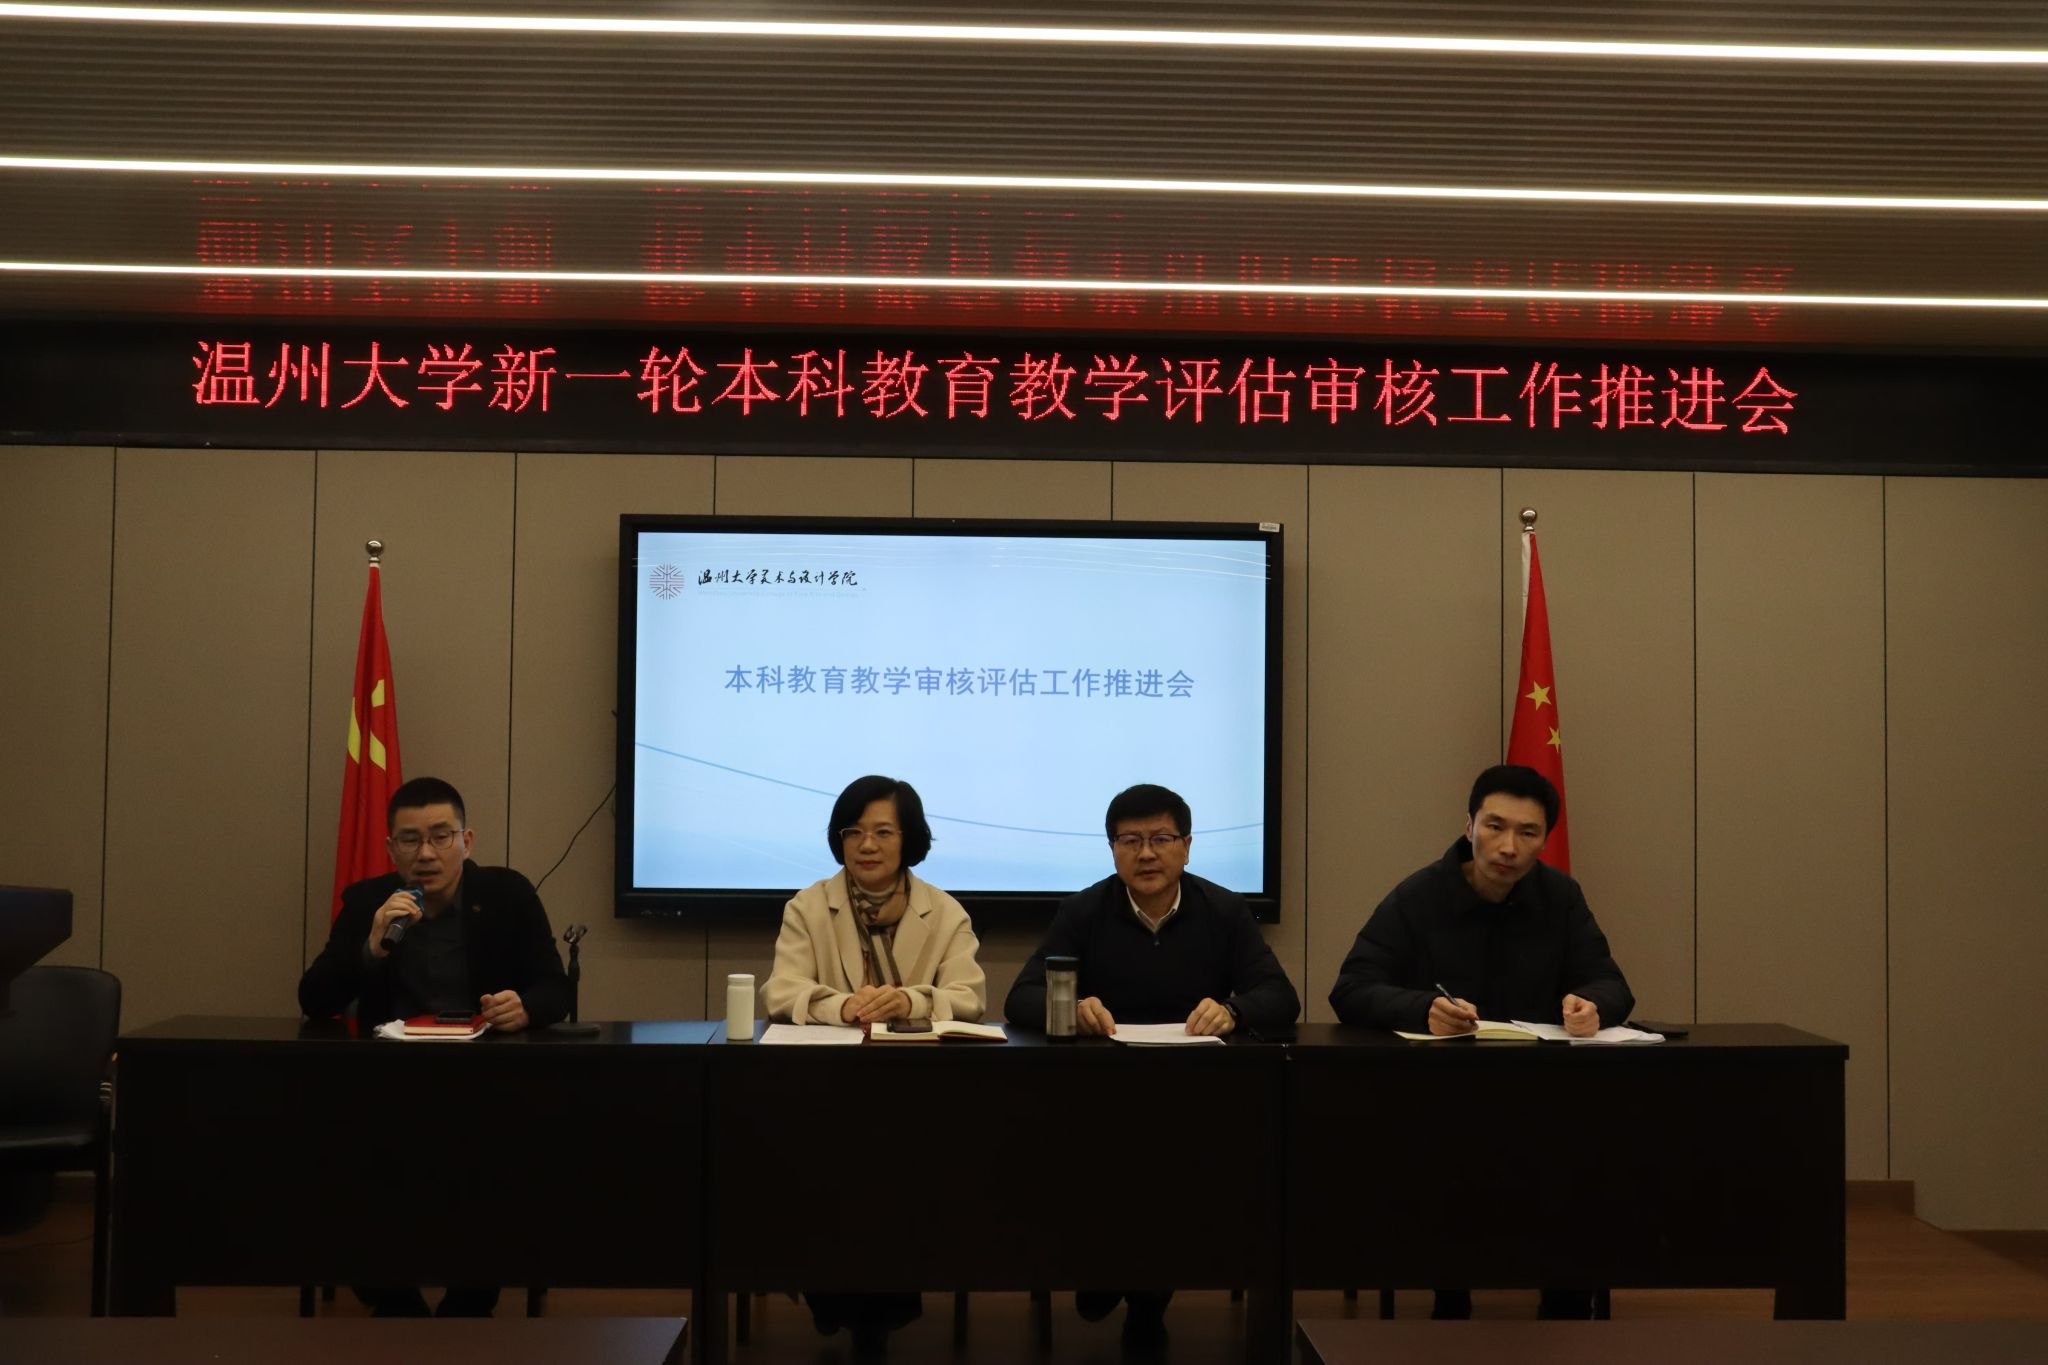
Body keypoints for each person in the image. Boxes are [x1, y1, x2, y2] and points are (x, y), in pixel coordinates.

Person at [1329, 763, 1634, 1320]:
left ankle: (1565, 1308)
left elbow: (1611, 983)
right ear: (1469, 825)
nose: (1508, 847)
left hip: (1543, 1098)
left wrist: (1592, 1004)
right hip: (1443, 1098)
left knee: (1586, 1157)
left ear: (1545, 840)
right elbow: (1351, 988)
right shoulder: (1420, 895)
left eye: (1528, 832)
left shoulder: (1560, 897)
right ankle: (1451, 1301)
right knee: (1448, 1157)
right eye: (1495, 826)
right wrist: (1422, 1009)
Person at [1004, 782, 1300, 1353]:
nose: (1146, 854)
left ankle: (1143, 1300)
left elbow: (1280, 997)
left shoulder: (1224, 910)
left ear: (1186, 846)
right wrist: (1069, 1006)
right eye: (1130, 841)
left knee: (1176, 1165)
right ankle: (1111, 1273)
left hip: (1194, 1097)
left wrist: (1234, 1011)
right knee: (1109, 1162)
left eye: (1161, 839)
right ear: (1112, 850)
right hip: (1100, 1097)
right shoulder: (1083, 911)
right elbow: (1021, 997)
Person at [298, 775, 569, 1318]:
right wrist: (370, 949)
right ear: (390, 848)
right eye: (411, 840)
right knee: (345, 1155)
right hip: (388, 1086)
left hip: (485, 1085)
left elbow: (555, 988)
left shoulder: (508, 895)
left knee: (499, 1160)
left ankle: (470, 1302)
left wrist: (525, 1007)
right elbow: (314, 998)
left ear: (466, 842)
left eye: (441, 837)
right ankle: (396, 1303)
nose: (426, 853)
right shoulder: (368, 903)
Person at [761, 774, 986, 1356]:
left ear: (909, 840)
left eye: (883, 832)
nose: (866, 845)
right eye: (853, 831)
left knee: (897, 1166)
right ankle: (838, 1300)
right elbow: (781, 991)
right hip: (824, 1091)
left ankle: (878, 1314)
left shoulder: (945, 911)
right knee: (825, 1161)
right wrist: (842, 1006)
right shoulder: (809, 905)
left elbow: (970, 997)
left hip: (917, 1096)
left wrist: (910, 1000)